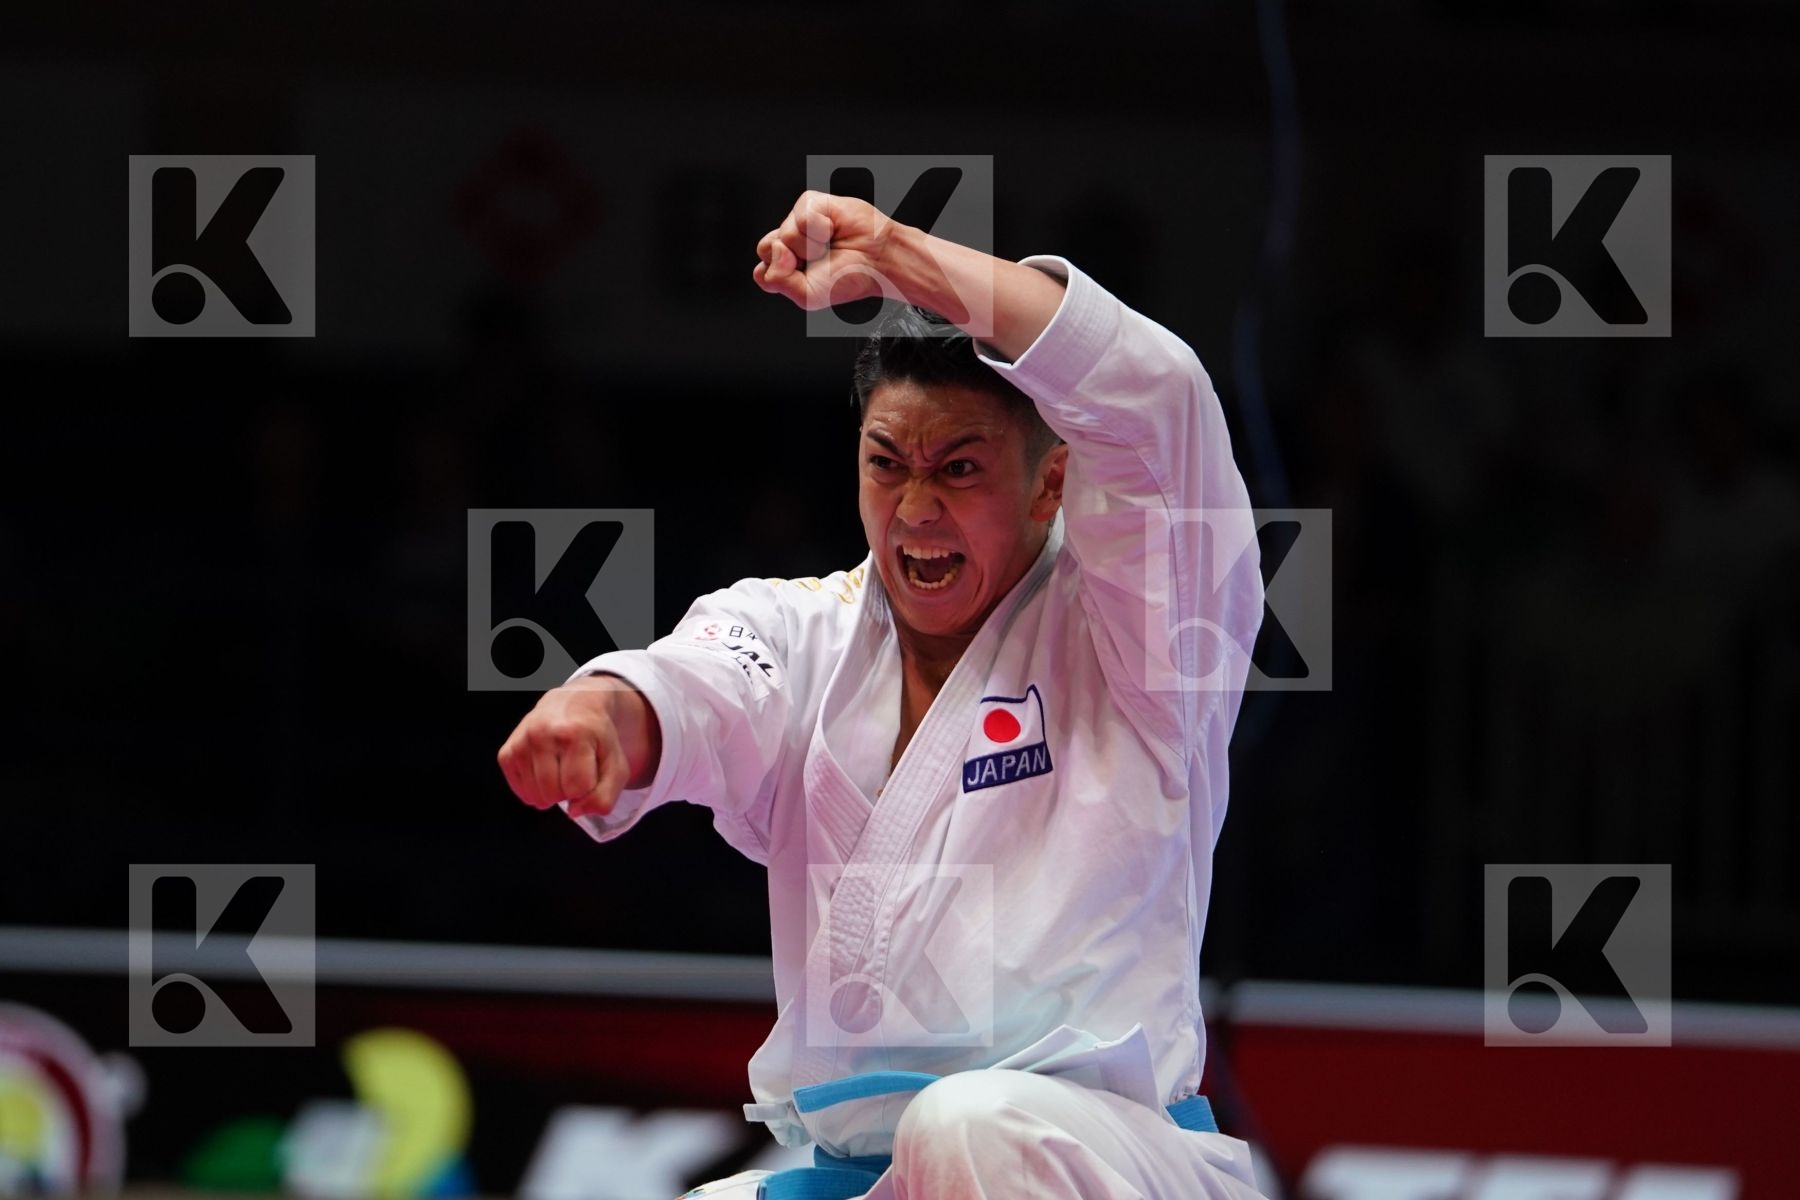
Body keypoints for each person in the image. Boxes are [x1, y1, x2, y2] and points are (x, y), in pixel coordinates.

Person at [498, 191, 1268, 1198]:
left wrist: (900, 254)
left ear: (1051, 484)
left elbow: (1160, 392)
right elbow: (700, 687)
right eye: (886, 465)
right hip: (873, 1174)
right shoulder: (803, 629)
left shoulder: (1142, 631)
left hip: (1108, 1163)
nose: (914, 510)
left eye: (959, 468)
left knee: (970, 1124)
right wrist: (604, 711)